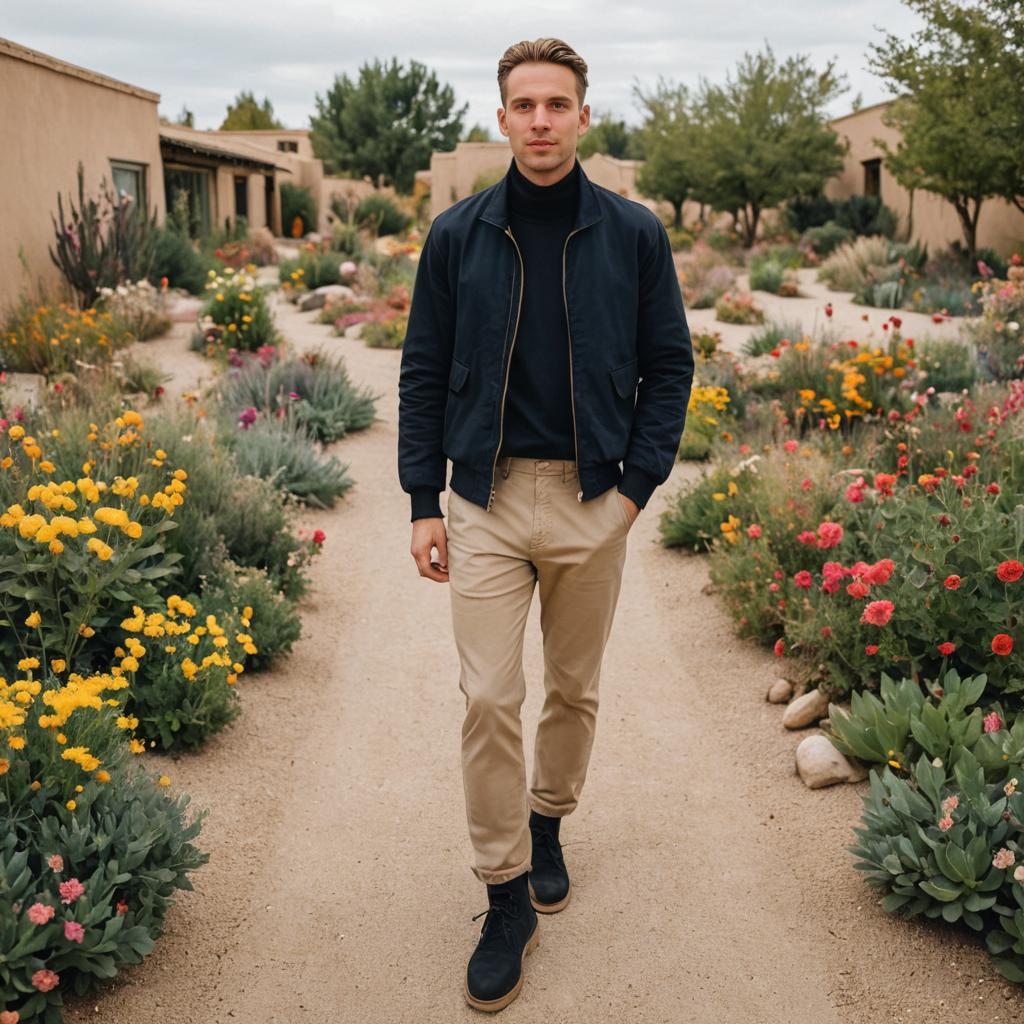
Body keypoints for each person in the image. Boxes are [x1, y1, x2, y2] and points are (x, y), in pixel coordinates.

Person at [397, 36, 694, 1012]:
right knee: (487, 697)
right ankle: (502, 894)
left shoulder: (632, 233)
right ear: (499, 118)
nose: (538, 120)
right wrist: (419, 501)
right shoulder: (457, 235)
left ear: (581, 115)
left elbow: (669, 366)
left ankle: (549, 820)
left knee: (572, 688)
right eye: (522, 104)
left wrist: (632, 492)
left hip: (589, 498)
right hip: (483, 497)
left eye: (555, 104)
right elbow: (423, 371)